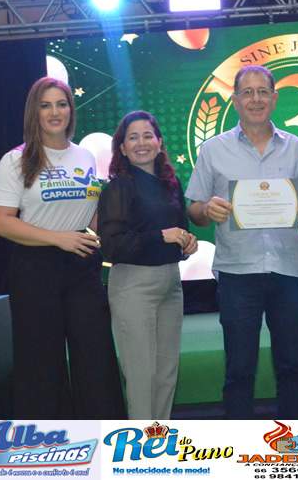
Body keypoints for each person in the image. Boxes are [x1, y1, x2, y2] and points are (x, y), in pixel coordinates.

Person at [185, 65, 298, 419]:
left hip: (289, 271)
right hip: (237, 273)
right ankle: (239, 445)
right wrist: (206, 209)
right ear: (235, 100)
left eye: (263, 92)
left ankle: (292, 445)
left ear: (274, 98)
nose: (255, 99)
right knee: (239, 370)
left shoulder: (296, 149)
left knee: (292, 367)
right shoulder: (213, 149)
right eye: (247, 92)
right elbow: (194, 210)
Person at [0, 76, 125, 419]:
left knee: (95, 358)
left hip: (82, 265)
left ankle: (104, 436)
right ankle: (48, 443)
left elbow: (92, 213)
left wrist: (128, 239)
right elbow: (1, 222)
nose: (54, 112)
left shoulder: (85, 156)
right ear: (33, 112)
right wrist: (58, 237)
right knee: (41, 363)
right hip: (35, 267)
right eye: (45, 105)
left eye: (61, 104)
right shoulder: (15, 160)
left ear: (71, 110)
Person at [97, 110, 197, 420]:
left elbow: (179, 231)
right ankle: (141, 446)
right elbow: (111, 245)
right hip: (133, 286)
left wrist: (188, 244)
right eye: (133, 137)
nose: (141, 143)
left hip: (171, 284)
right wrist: (161, 236)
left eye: (147, 135)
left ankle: (158, 438)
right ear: (122, 148)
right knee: (141, 375)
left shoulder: (171, 184)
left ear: (159, 142)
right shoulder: (118, 187)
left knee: (166, 374)